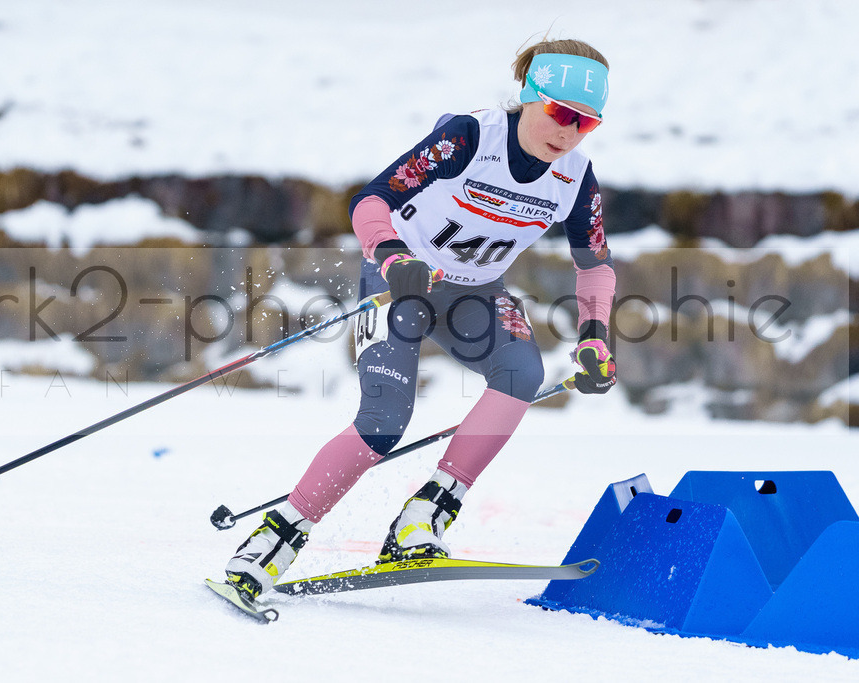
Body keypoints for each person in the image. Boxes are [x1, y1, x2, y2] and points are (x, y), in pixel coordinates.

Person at [224, 37, 618, 600]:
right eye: (560, 112)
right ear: (531, 95)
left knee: (523, 374)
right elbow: (372, 201)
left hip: (475, 294)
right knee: (385, 419)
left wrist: (594, 338)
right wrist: (391, 256)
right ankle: (274, 541)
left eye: (586, 122)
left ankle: (423, 517)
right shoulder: (469, 137)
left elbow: (595, 265)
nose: (570, 131)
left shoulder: (575, 178)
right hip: (402, 282)